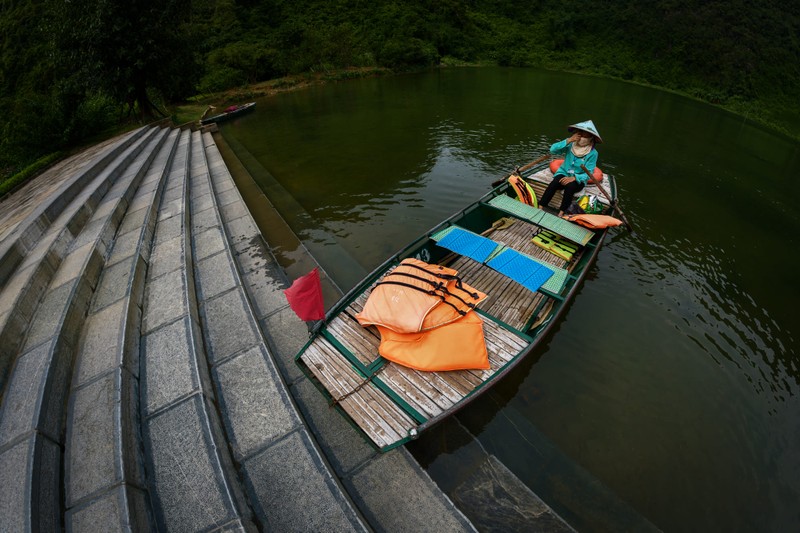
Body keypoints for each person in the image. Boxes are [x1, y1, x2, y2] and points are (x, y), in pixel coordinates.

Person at [540, 120, 602, 216]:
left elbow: (589, 172)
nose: (581, 136)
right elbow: (553, 150)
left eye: (585, 134)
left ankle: (561, 213)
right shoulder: (570, 144)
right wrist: (568, 140)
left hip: (578, 178)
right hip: (564, 173)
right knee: (555, 182)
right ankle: (540, 207)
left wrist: (574, 178)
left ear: (591, 137)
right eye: (579, 133)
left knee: (570, 187)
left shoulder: (593, 153)